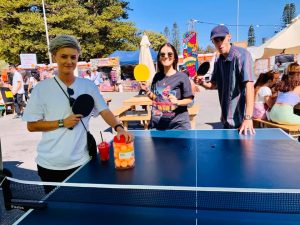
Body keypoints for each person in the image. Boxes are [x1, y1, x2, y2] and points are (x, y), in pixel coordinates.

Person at [22, 35, 133, 186]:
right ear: (54, 57)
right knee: (57, 209)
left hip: (82, 162)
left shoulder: (88, 86)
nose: (69, 61)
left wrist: (119, 128)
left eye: (73, 57)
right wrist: (62, 123)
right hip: (50, 165)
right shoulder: (41, 89)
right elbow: (32, 126)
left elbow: (105, 111)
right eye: (64, 56)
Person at [194, 25, 255, 135]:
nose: (219, 43)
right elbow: (213, 85)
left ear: (229, 37)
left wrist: (248, 118)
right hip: (226, 121)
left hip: (242, 122)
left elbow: (249, 86)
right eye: (215, 40)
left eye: (221, 39)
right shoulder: (218, 60)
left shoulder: (242, 55)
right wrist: (202, 82)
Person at [140, 43, 194, 130]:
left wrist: (177, 102)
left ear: (175, 57)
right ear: (159, 58)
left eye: (169, 54)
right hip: (158, 124)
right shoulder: (157, 77)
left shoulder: (182, 77)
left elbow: (189, 99)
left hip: (178, 125)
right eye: (162, 54)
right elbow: (155, 98)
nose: (166, 56)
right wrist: (147, 91)